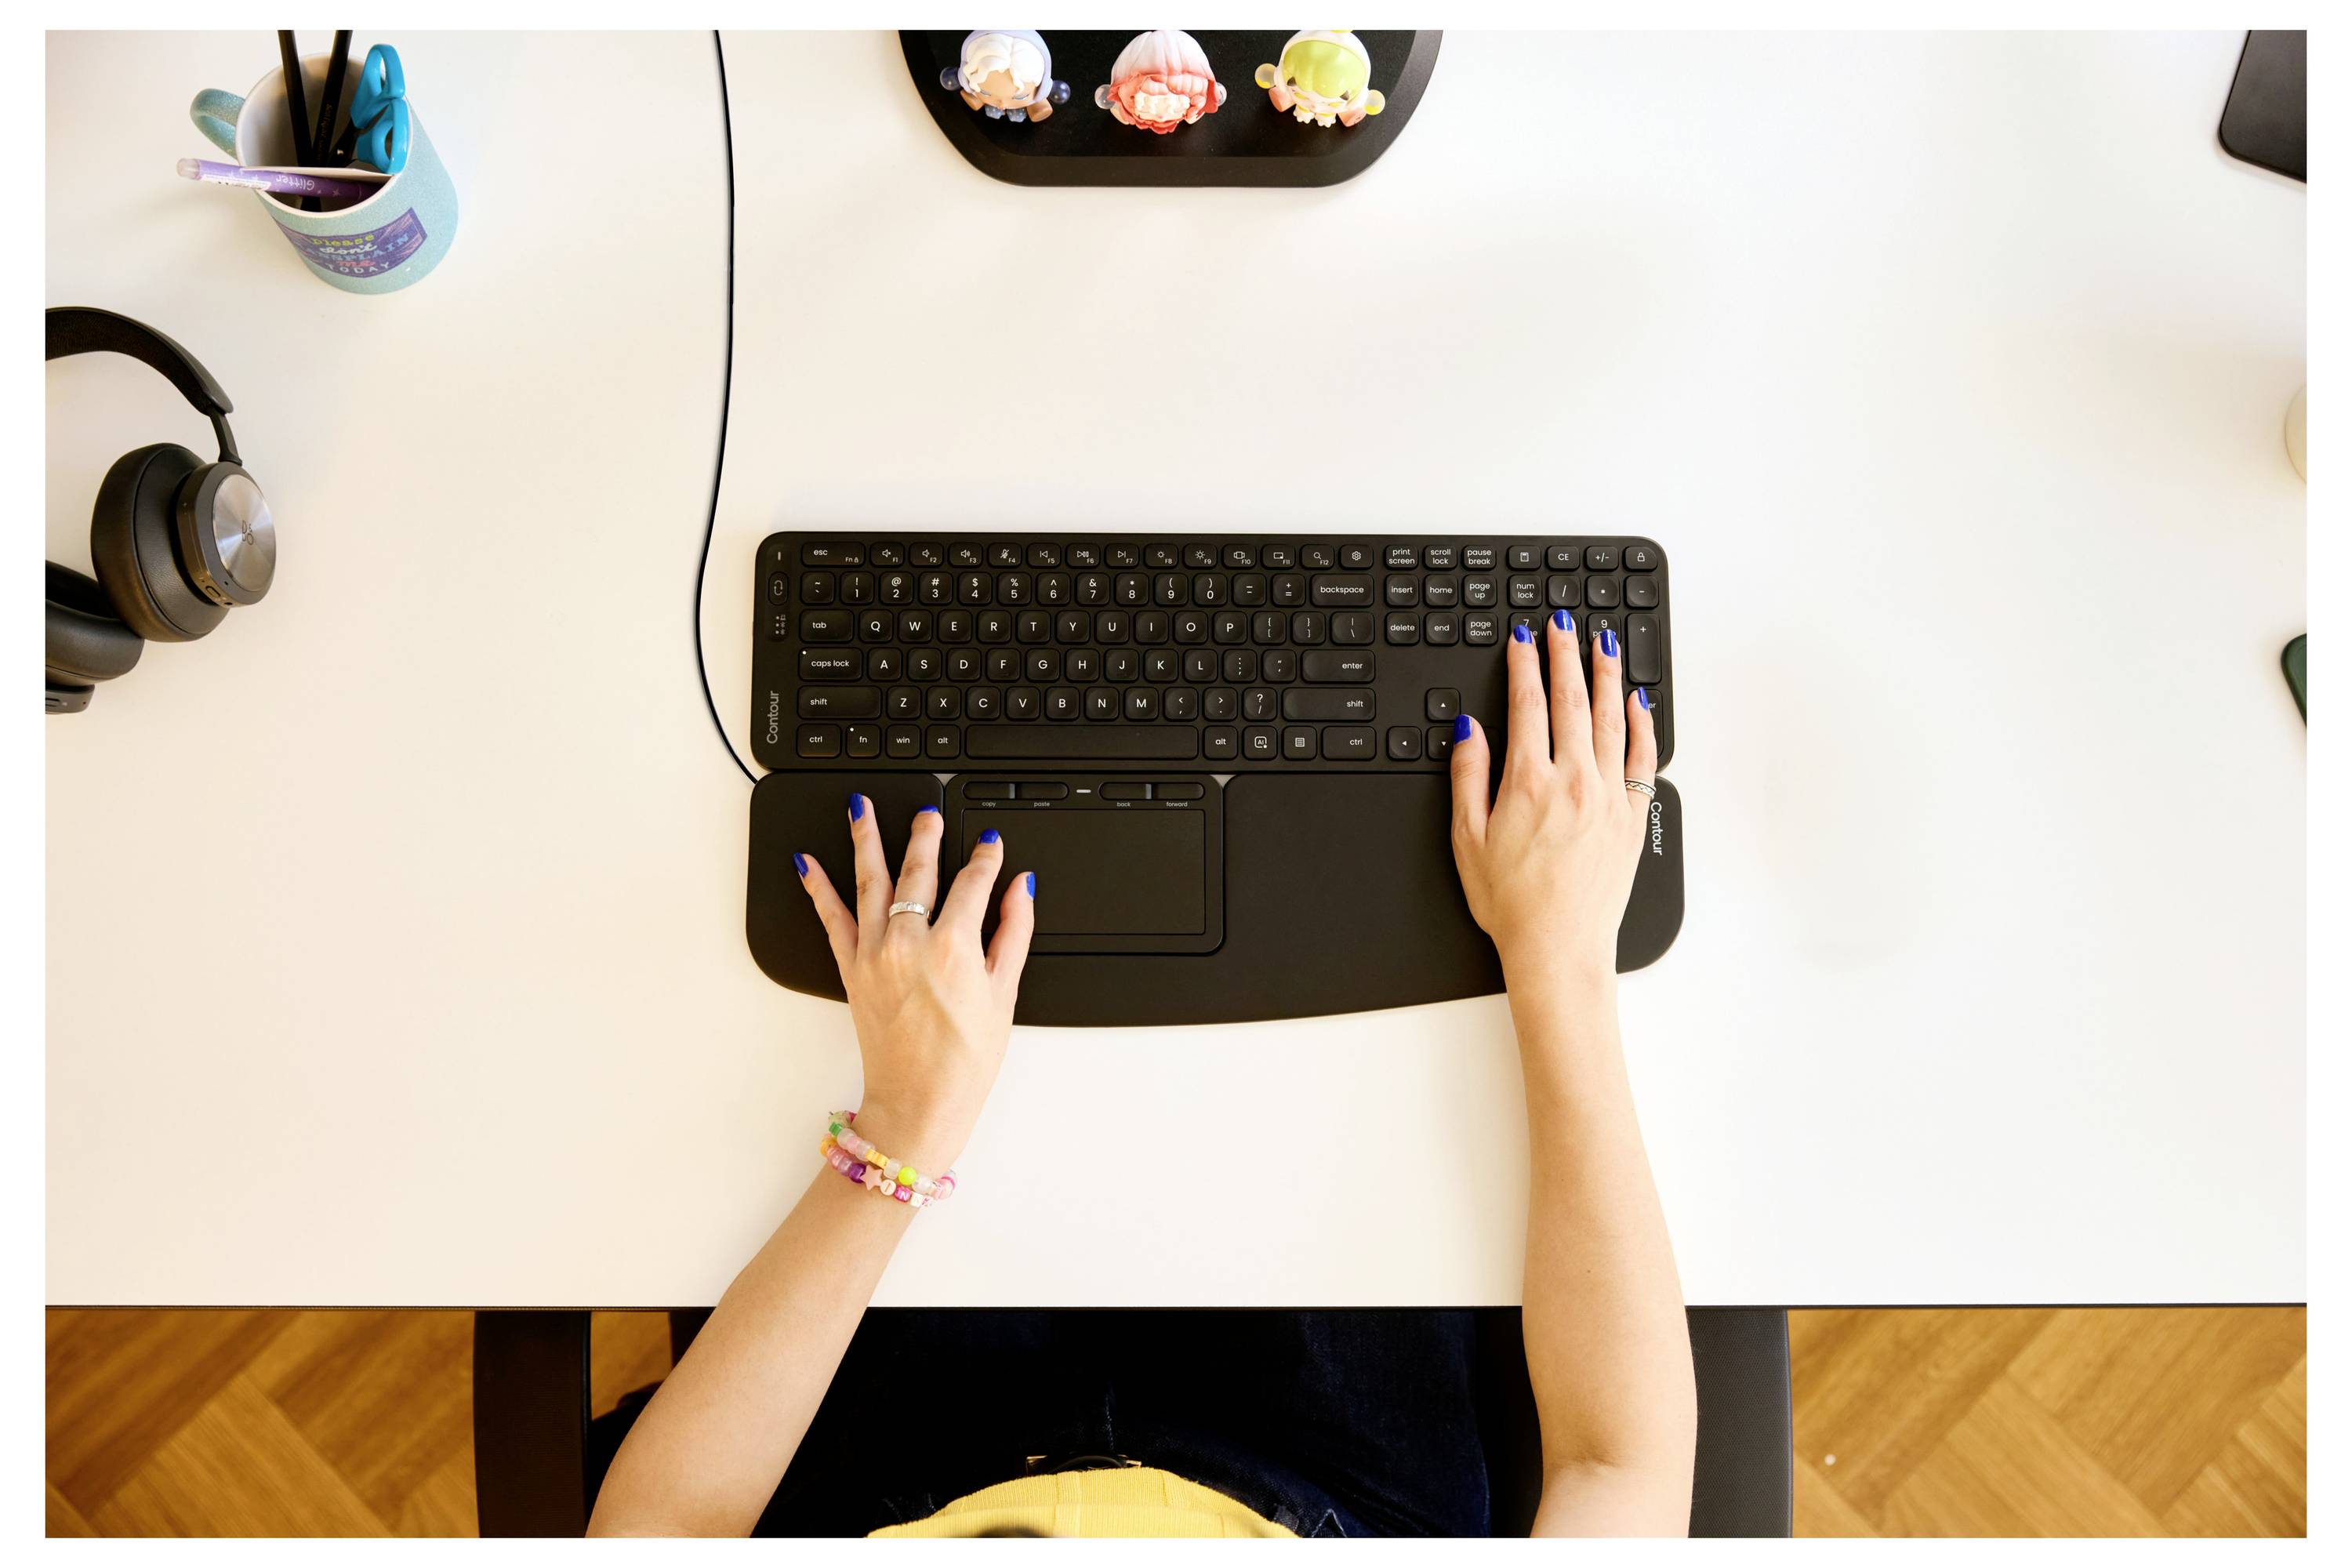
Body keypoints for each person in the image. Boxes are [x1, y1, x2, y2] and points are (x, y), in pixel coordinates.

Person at [590, 612, 1697, 1537]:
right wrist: (1559, 961)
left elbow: (652, 1534)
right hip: (1328, 1475)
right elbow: (1619, 1471)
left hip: (905, 1456)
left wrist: (900, 1130)